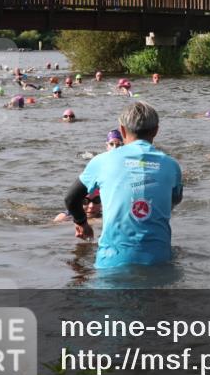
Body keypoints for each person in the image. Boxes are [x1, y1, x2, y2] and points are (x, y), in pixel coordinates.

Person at [63, 101, 183, 268]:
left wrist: (82, 223)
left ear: (122, 130)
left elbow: (71, 199)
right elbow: (174, 201)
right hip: (160, 260)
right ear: (156, 130)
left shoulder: (102, 161)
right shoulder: (171, 165)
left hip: (112, 262)